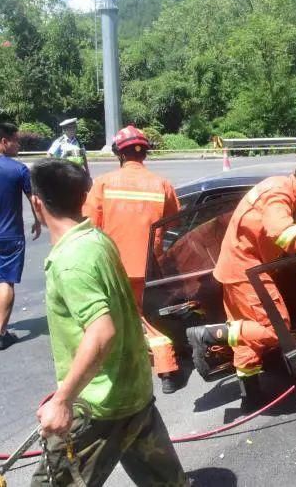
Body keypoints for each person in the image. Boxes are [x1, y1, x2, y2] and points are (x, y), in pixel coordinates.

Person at [29, 159, 186, 487]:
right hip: (134, 392)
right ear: (83, 197)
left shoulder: (71, 261)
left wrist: (62, 400)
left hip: (100, 408)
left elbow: (101, 332)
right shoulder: (97, 240)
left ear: (36, 203)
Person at [186, 153, 296, 408]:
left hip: (239, 267)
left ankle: (251, 396)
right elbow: (280, 230)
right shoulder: (279, 193)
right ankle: (209, 335)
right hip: (246, 270)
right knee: (275, 328)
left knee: (247, 333)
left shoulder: (284, 191)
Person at [82, 125, 183, 394]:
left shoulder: (103, 183)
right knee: (142, 314)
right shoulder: (162, 184)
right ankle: (163, 370)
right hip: (148, 266)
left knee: (120, 318)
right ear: (145, 154)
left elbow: (89, 226)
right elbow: (175, 219)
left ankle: (157, 366)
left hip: (113, 266)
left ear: (119, 153)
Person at [0, 123, 41, 350]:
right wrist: (38, 221)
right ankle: (1, 333)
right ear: (4, 141)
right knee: (5, 280)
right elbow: (33, 198)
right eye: (16, 141)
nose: (18, 145)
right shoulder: (18, 170)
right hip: (10, 235)